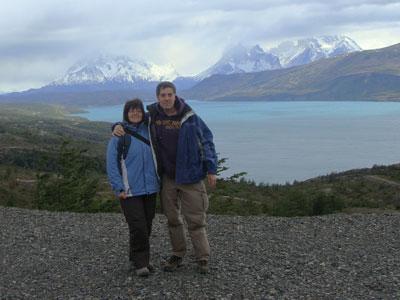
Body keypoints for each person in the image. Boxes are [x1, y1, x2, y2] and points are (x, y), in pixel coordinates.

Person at [113, 81, 218, 274]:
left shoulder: (190, 116)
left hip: (191, 175)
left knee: (195, 220)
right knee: (172, 219)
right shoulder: (153, 116)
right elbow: (132, 121)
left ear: (175, 96)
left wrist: (211, 169)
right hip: (168, 176)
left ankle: (202, 258)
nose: (167, 98)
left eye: (170, 95)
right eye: (163, 95)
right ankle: (178, 254)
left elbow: (206, 140)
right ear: (158, 97)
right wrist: (117, 125)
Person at [106, 98, 160, 277]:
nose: (135, 113)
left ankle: (135, 257)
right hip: (129, 190)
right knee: (137, 225)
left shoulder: (149, 131)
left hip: (151, 187)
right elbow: (112, 165)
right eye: (131, 111)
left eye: (138, 110)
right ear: (126, 114)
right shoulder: (118, 138)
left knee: (147, 224)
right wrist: (118, 187)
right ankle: (141, 263)